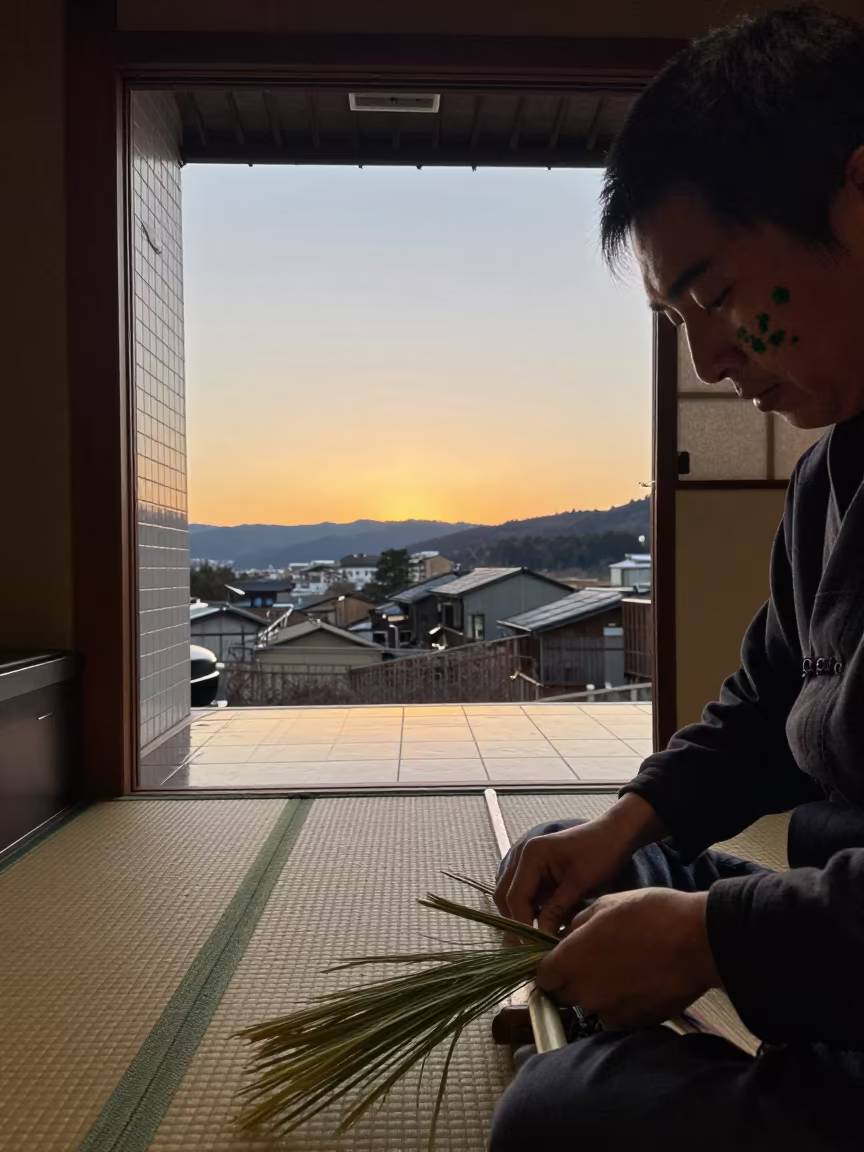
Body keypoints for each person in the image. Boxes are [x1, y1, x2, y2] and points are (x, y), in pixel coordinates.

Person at [490, 7, 864, 1151]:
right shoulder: (834, 475)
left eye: (711, 295)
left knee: (552, 1119)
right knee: (576, 861)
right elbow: (761, 711)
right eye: (674, 319)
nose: (705, 357)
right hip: (835, 925)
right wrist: (624, 825)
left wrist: (714, 940)